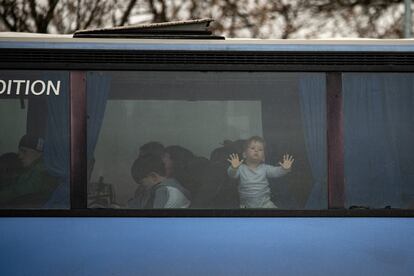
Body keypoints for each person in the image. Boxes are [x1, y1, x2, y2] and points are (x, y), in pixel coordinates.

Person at [227, 136, 294, 208]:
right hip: (246, 206)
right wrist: (234, 167)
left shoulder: (265, 168)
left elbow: (276, 172)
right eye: (252, 148)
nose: (256, 151)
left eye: (260, 149)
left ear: (263, 157)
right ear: (244, 154)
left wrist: (285, 169)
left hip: (266, 204)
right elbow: (232, 175)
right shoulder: (240, 168)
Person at [0, 135, 58, 208]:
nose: (19, 156)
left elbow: (18, 191)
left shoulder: (41, 170)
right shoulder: (30, 167)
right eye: (19, 151)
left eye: (24, 151)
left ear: (39, 153)